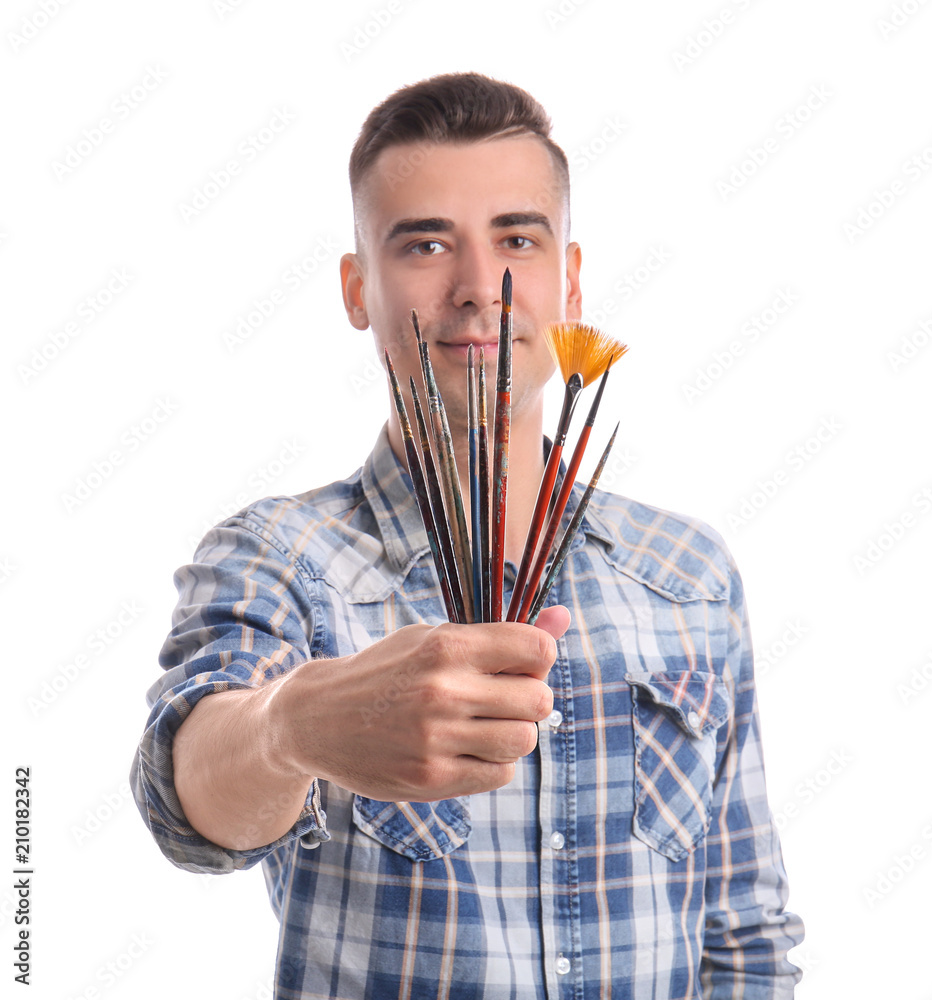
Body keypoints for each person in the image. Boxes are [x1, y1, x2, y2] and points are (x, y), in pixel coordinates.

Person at [131, 72, 804, 998]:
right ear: (358, 288)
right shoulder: (279, 558)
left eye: (518, 239)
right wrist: (295, 726)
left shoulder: (688, 573)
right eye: (426, 244)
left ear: (569, 280)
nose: (481, 288)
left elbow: (747, 933)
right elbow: (187, 805)